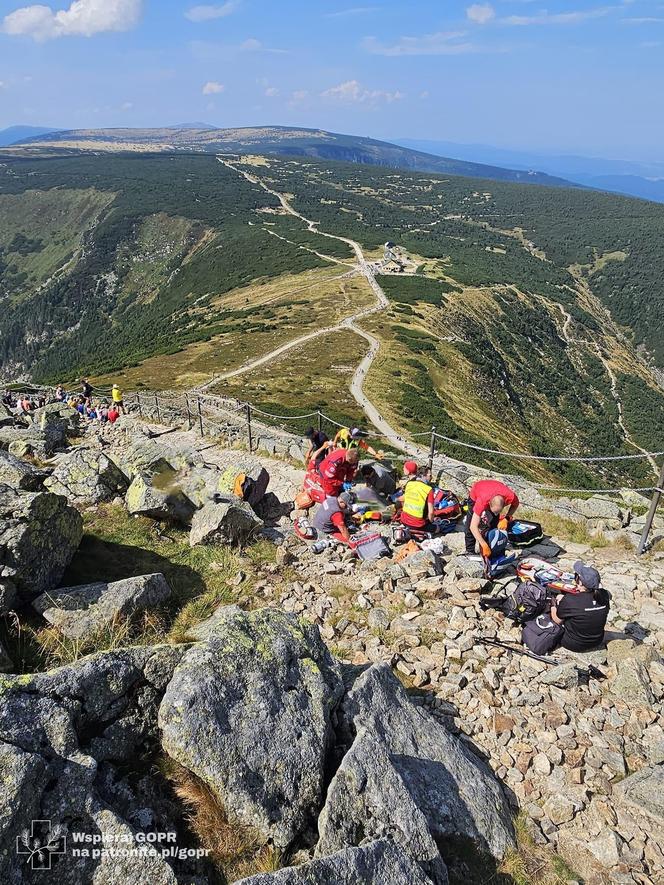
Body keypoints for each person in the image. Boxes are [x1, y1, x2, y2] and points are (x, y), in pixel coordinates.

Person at [550, 562, 610, 652]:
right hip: (597, 641)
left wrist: (553, 604)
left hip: (573, 644)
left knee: (552, 615)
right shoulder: (605, 595)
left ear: (580, 582)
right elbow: (586, 605)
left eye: (576, 576)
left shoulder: (570, 600)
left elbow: (557, 620)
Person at [465, 479, 520, 557]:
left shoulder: (511, 496)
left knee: (493, 523)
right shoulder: (482, 501)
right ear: (489, 504)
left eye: (498, 511)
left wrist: (506, 518)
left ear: (504, 502)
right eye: (494, 511)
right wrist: (483, 544)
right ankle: (470, 551)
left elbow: (515, 505)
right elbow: (473, 526)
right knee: (469, 523)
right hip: (477, 490)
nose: (496, 513)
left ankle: (493, 548)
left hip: (494, 490)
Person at [400, 465, 436, 532]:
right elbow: (431, 512)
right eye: (430, 475)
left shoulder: (409, 483)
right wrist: (431, 522)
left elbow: (402, 499)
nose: (431, 478)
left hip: (403, 520)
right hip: (418, 524)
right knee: (437, 528)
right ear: (423, 475)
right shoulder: (428, 489)